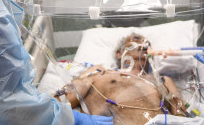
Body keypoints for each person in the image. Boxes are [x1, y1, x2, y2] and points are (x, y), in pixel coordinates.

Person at [55, 33, 188, 125]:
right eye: (135, 40)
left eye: (145, 43)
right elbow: (56, 104)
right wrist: (78, 119)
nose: (141, 43)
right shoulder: (99, 73)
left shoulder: (162, 81)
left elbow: (182, 117)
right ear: (119, 53)